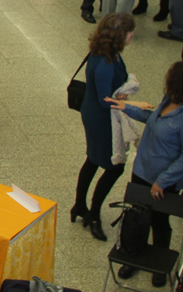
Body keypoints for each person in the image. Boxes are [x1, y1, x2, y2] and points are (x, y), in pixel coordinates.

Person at [106, 62, 183, 287]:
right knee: (138, 217)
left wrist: (163, 181)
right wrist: (125, 107)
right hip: (142, 171)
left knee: (159, 221)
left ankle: (160, 264)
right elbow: (152, 119)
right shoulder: (168, 102)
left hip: (163, 180)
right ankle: (134, 256)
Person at [72, 12, 136, 241]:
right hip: (100, 118)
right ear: (119, 35)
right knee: (114, 166)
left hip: (94, 113)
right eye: (129, 32)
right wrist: (128, 103)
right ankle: (94, 214)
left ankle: (79, 206)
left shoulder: (106, 53)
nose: (132, 35)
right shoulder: (106, 64)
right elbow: (104, 100)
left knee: (92, 159)